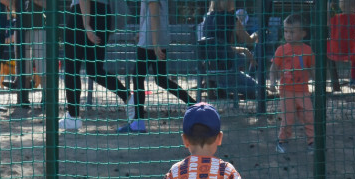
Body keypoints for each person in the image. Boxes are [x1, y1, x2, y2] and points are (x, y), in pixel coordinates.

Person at [121, 0, 197, 133]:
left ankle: (138, 122)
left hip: (150, 42)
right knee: (161, 80)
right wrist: (142, 31)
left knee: (138, 78)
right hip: (157, 39)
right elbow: (150, 15)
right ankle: (194, 106)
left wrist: (155, 44)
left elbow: (154, 14)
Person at [60, 0, 133, 131]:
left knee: (72, 68)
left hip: (81, 13)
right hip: (103, 13)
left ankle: (73, 116)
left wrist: (86, 24)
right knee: (95, 70)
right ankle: (128, 98)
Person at [270, 14, 315, 153]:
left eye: (292, 32)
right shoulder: (281, 50)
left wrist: (319, 82)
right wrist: (272, 82)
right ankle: (282, 141)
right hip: (286, 90)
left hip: (303, 91)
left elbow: (313, 68)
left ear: (303, 33)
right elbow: (273, 69)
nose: (288, 35)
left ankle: (312, 142)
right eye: (286, 31)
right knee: (288, 118)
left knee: (308, 115)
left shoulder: (307, 50)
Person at [200, 0, 260, 100]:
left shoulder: (208, 18)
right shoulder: (231, 18)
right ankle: (225, 87)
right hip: (227, 67)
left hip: (209, 67)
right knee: (258, 89)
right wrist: (258, 33)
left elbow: (219, 46)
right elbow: (248, 41)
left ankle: (217, 86)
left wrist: (244, 50)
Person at [328, 0, 355, 91]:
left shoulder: (336, 17)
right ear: (353, 7)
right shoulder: (353, 18)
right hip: (348, 50)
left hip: (334, 50)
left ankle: (354, 80)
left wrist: (328, 7)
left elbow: (327, 22)